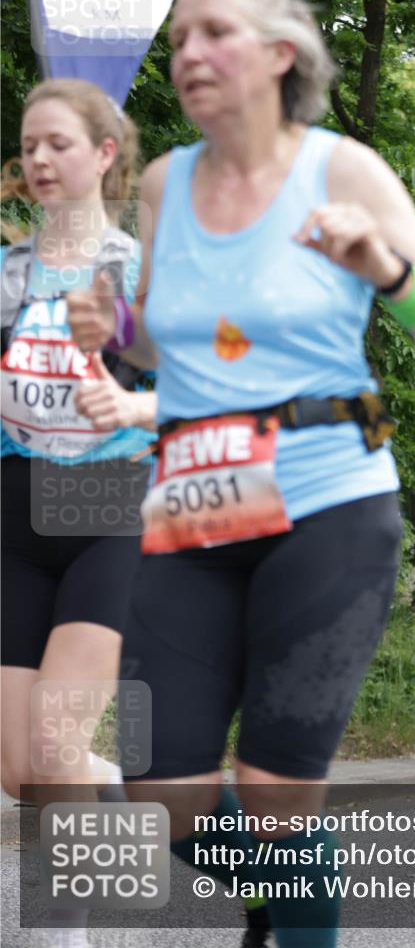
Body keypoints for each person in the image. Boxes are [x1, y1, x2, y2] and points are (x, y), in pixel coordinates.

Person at [67, 0, 415, 947]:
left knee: (273, 793)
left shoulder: (340, 169)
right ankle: (289, 899)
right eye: (177, 41)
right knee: (160, 789)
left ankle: (298, 919)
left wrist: (384, 268)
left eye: (213, 32)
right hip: (194, 504)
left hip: (327, 499)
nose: (189, 54)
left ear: (278, 53)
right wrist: (112, 322)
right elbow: (165, 338)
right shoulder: (166, 182)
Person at [0, 78, 156, 948]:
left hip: (105, 505)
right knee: (23, 774)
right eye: (28, 145)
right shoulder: (7, 272)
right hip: (12, 511)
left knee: (56, 750)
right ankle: (116, 787)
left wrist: (134, 406)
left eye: (58, 142)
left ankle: (66, 937)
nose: (39, 159)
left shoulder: (141, 273)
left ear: (104, 154)